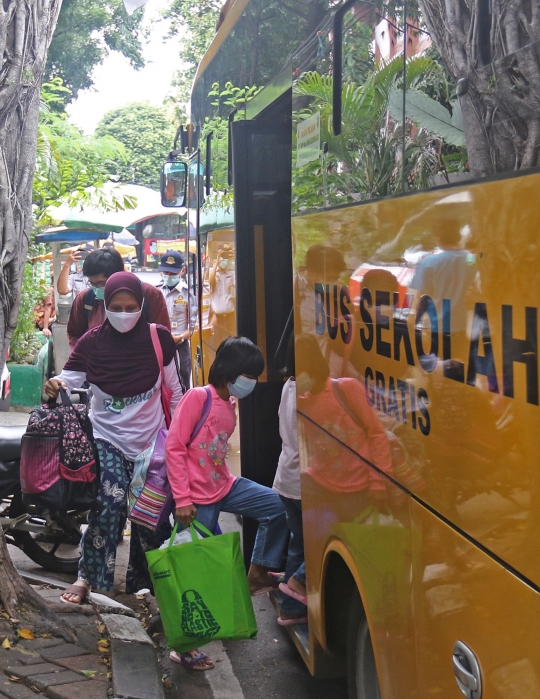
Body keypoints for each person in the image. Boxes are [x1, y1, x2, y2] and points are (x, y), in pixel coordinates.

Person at [44, 272, 183, 605]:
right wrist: (53, 384)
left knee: (151, 516)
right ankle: (89, 577)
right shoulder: (92, 342)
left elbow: (176, 391)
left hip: (153, 442)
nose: (124, 313)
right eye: (116, 307)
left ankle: (144, 583)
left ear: (141, 306)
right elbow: (66, 379)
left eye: (131, 306)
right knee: (108, 507)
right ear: (105, 307)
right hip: (106, 438)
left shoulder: (158, 339)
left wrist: (176, 439)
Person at [165, 336, 288, 670]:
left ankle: (258, 573)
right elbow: (174, 448)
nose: (253, 382)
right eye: (249, 375)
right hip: (196, 499)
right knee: (194, 574)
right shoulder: (197, 397)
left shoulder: (230, 402)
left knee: (276, 507)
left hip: (224, 486)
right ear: (230, 372)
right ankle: (185, 646)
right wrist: (182, 499)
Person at [67, 248, 170, 348]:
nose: (97, 288)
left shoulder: (150, 295)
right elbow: (74, 334)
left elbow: (163, 337)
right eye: (92, 284)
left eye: (102, 283)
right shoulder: (85, 299)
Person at [272, 339, 307, 625]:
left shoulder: (288, 386)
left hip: (286, 479)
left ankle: (291, 610)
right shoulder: (313, 392)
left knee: (299, 543)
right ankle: (298, 582)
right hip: (304, 485)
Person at [156, 250, 197, 391]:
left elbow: (193, 327)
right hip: (158, 344)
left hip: (180, 345)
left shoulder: (189, 294)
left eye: (172, 273)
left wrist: (179, 337)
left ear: (182, 271)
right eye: (165, 273)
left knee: (183, 380)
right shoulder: (156, 292)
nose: (168, 276)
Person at [208, 244, 236, 346]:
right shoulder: (213, 272)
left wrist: (235, 259)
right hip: (217, 318)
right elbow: (210, 282)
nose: (225, 260)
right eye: (223, 256)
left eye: (226, 257)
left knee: (232, 342)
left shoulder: (232, 272)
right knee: (218, 343)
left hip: (230, 316)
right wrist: (217, 261)